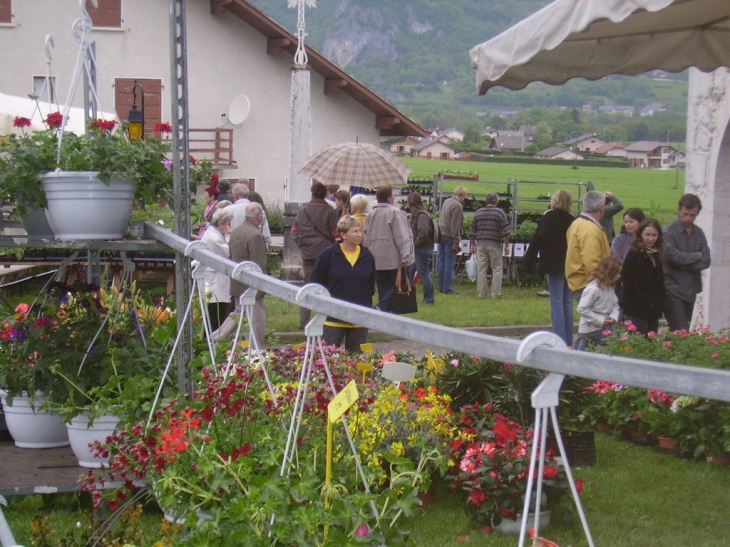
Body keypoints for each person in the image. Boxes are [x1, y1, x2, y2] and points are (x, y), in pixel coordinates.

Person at [311, 216, 376, 351]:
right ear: (343, 235)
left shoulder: (367, 255)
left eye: (360, 231)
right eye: (355, 231)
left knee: (356, 361)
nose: (359, 235)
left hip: (360, 318)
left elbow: (371, 285)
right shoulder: (328, 255)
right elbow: (316, 283)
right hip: (333, 317)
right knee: (327, 359)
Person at [211, 202, 268, 347]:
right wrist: (262, 289)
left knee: (239, 311)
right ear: (259, 216)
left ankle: (216, 337)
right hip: (251, 286)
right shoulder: (256, 235)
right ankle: (255, 351)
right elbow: (258, 266)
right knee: (256, 320)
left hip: (236, 282)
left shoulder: (236, 231)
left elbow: (231, 257)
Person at [524, 189, 575, 346]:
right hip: (570, 264)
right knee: (567, 301)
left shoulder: (549, 217)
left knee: (557, 301)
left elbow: (538, 238)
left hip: (553, 264)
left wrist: (529, 261)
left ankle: (559, 339)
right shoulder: (572, 219)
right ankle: (569, 340)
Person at [292, 181, 339, 329]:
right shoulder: (330, 211)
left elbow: (294, 231)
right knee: (326, 287)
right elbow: (335, 233)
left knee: (307, 286)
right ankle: (325, 319)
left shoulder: (302, 210)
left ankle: (304, 321)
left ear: (312, 193)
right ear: (325, 194)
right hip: (325, 253)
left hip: (307, 253)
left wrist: (302, 244)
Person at [662, 193, 711, 332]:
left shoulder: (699, 233)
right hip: (673, 289)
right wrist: (697, 255)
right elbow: (672, 258)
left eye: (692, 215)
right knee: (681, 330)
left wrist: (683, 261)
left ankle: (670, 351)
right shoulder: (668, 232)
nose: (688, 218)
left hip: (691, 289)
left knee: (680, 330)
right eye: (685, 214)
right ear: (679, 210)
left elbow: (707, 261)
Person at [363, 184, 414, 312]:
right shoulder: (395, 213)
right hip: (394, 259)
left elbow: (366, 236)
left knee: (383, 288)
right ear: (389, 197)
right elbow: (402, 236)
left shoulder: (370, 215)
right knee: (397, 288)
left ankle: (384, 315)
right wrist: (405, 255)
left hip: (376, 259)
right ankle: (382, 308)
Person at [621, 219, 665, 336]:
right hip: (637, 309)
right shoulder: (634, 255)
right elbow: (630, 283)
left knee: (649, 343)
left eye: (654, 235)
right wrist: (648, 301)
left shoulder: (656, 254)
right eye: (647, 235)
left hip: (652, 310)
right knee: (637, 341)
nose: (651, 239)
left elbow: (659, 280)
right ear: (641, 235)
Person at [565, 190, 611, 300]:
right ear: (601, 208)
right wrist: (601, 282)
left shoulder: (576, 223)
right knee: (597, 317)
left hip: (579, 282)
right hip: (590, 285)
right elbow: (591, 260)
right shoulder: (591, 229)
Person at [468, 193, 510, 299]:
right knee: (496, 268)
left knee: (482, 269)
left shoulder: (478, 213)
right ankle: (495, 294)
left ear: (486, 201)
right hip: (495, 244)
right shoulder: (500, 213)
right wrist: (506, 246)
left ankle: (481, 294)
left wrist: (473, 245)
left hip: (481, 244)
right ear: (497, 202)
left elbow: (472, 231)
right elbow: (506, 231)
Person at [576, 256, 622, 351]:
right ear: (610, 273)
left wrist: (613, 317)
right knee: (613, 343)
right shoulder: (593, 289)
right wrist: (601, 321)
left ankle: (576, 361)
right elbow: (582, 308)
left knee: (583, 350)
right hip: (591, 328)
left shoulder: (609, 288)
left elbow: (615, 304)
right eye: (617, 273)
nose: (619, 276)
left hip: (599, 327)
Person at [199, 208, 232, 331]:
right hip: (214, 279)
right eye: (228, 224)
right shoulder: (214, 238)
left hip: (215, 277)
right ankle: (212, 341)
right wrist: (229, 236)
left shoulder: (213, 233)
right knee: (215, 312)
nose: (229, 227)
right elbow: (228, 252)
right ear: (220, 223)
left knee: (217, 310)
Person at [407, 192, 435, 305]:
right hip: (418, 248)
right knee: (410, 272)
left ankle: (429, 299)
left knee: (423, 273)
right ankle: (408, 296)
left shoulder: (421, 216)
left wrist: (414, 244)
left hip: (421, 249)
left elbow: (423, 233)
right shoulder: (416, 214)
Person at [437, 186, 467, 294]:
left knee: (442, 262)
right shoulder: (457, 206)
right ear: (463, 195)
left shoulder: (447, 201)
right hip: (449, 236)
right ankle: (448, 288)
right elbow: (455, 225)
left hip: (441, 234)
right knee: (450, 262)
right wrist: (456, 240)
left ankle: (441, 286)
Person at [228, 183, 272, 248]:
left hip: (234, 250)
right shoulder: (259, 211)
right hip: (255, 249)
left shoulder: (227, 211)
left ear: (235, 196)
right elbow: (266, 237)